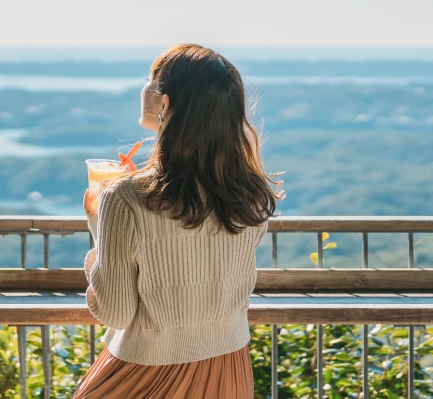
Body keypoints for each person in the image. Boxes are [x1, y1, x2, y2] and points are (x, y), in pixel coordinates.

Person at [74, 44, 282, 399]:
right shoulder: (250, 191)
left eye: (149, 79)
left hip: (144, 370)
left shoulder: (126, 198)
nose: (143, 87)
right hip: (228, 367)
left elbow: (116, 312)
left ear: (165, 104)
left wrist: (98, 224)